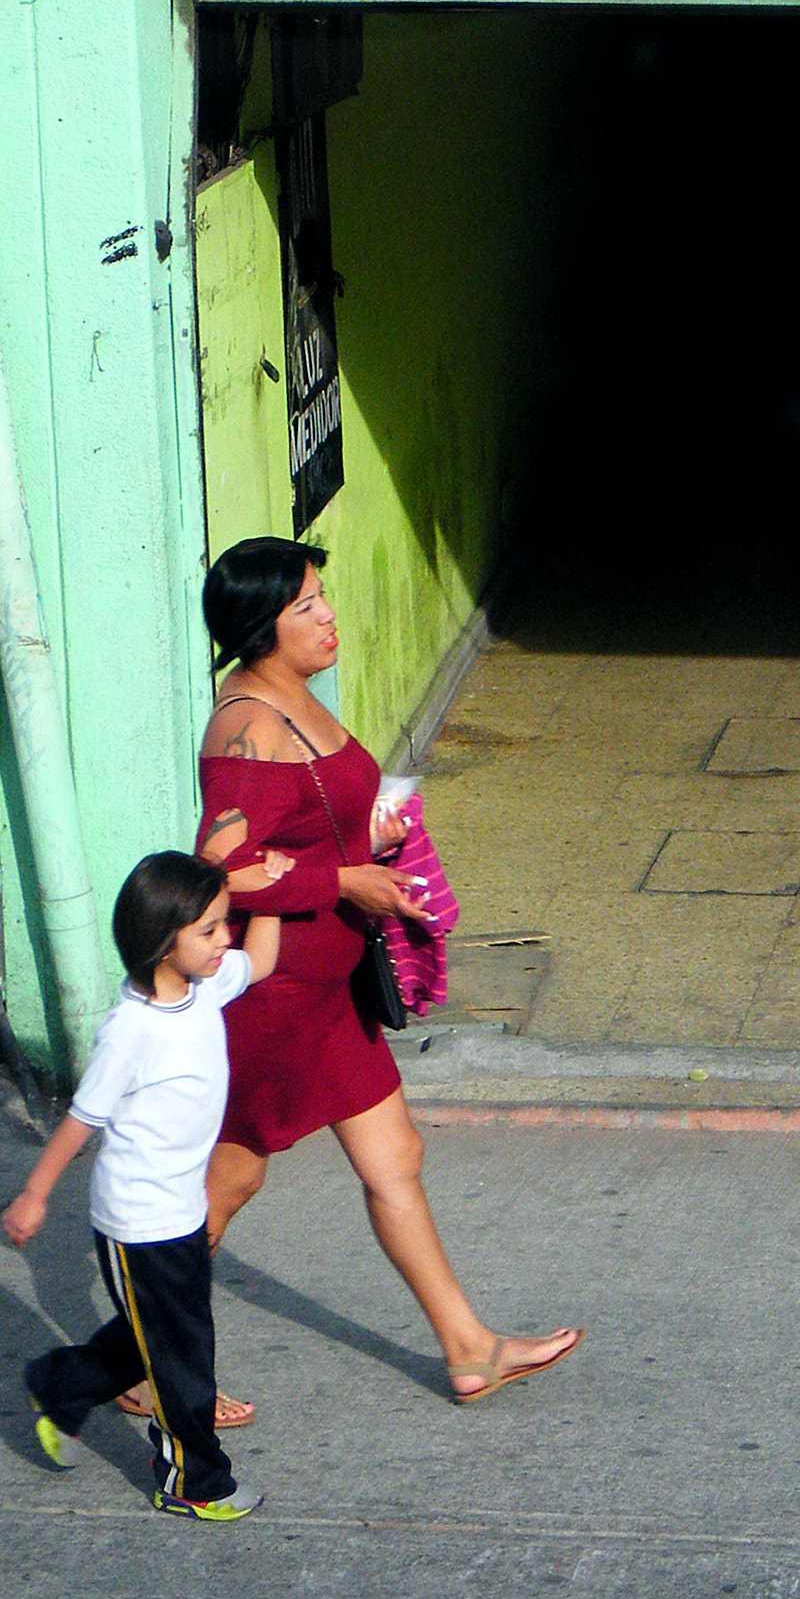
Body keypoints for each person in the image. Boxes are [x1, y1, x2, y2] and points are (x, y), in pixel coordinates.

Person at [197, 534, 583, 1406]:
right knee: (229, 1182)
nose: (328, 614)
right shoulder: (247, 727)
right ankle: (139, 1360)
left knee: (394, 1157)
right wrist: (345, 877)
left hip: (331, 990)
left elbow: (305, 826)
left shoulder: (297, 699)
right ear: (263, 626)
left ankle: (471, 1347)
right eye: (306, 605)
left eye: (322, 595)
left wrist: (365, 842)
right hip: (273, 997)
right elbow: (225, 866)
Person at [1, 851, 283, 1520]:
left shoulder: (204, 986)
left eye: (225, 923)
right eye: (211, 929)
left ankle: (61, 1384)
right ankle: (194, 1477)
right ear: (164, 939)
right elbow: (82, 1118)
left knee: (153, 1332)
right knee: (183, 1349)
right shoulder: (131, 1029)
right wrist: (36, 1192)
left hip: (183, 1207)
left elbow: (264, 959)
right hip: (136, 1218)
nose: (227, 940)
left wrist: (272, 889)